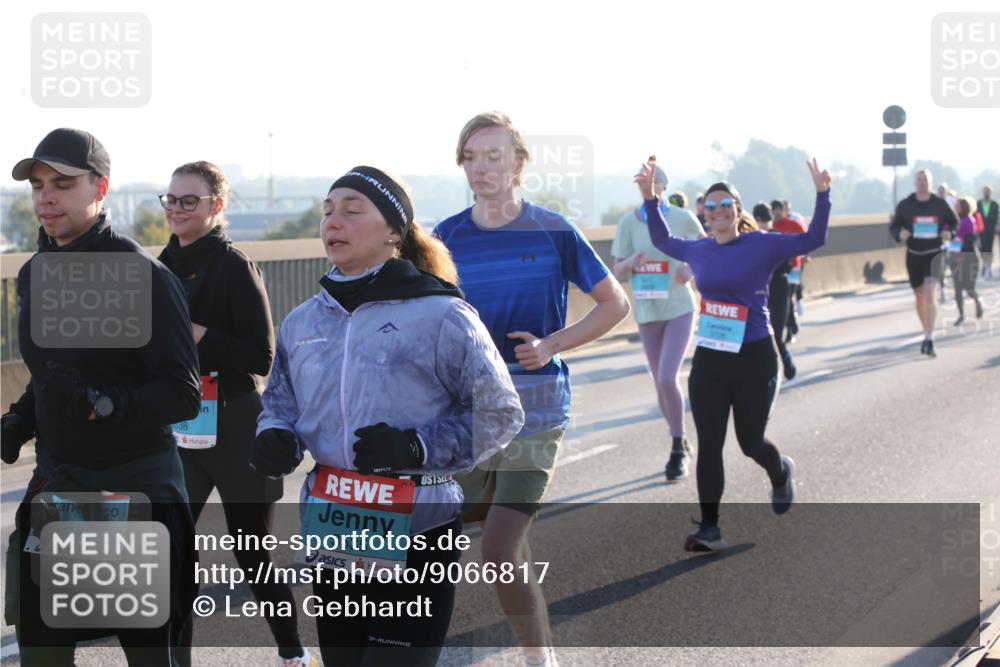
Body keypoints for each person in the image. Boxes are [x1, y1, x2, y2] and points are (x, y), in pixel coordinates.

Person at [250, 165, 525, 667]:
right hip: (336, 523)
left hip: (419, 524)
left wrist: (416, 447)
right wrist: (275, 434)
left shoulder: (441, 314)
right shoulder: (303, 320)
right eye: (328, 211)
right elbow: (281, 401)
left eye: (352, 211)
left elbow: (501, 411)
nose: (334, 222)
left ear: (393, 233)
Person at [434, 111, 629, 667]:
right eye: (470, 157)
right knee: (434, 541)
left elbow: (615, 304)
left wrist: (551, 345)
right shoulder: (442, 239)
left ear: (519, 165)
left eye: (493, 156)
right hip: (465, 414)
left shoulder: (553, 230)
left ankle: (540, 660)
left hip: (536, 411)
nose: (480, 167)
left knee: (498, 550)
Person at [2, 128, 201, 665]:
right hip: (57, 489)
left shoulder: (144, 276)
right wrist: (20, 420)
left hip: (130, 493)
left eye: (63, 183)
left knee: (149, 658)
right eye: (39, 184)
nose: (46, 196)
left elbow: (182, 393)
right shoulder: (35, 274)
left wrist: (102, 404)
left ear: (100, 188)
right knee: (41, 654)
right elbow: (56, 377)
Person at [156, 161, 314, 667]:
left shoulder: (234, 264)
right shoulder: (158, 265)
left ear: (216, 206)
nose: (177, 210)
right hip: (182, 427)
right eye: (171, 200)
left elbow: (262, 357)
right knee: (174, 553)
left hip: (236, 423)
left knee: (252, 555)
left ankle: (292, 653)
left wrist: (200, 336)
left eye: (190, 201)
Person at [640, 157, 832, 552]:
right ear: (703, 214)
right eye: (711, 206)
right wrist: (651, 200)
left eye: (726, 204)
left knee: (750, 442)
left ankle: (780, 472)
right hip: (711, 357)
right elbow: (661, 241)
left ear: (737, 210)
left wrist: (823, 194)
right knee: (710, 443)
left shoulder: (761, 243)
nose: (719, 211)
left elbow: (813, 241)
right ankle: (710, 527)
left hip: (754, 356)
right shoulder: (698, 251)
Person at [611, 163, 705, 480]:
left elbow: (707, 252)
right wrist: (630, 262)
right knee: (659, 385)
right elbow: (616, 270)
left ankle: (677, 448)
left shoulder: (682, 218)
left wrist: (690, 270)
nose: (649, 187)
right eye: (643, 182)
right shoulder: (627, 222)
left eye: (654, 182)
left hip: (679, 306)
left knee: (667, 378)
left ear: (663, 186)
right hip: (647, 310)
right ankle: (679, 436)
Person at [890, 169, 958, 357]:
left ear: (930, 182)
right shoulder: (906, 205)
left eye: (925, 179)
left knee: (929, 293)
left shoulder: (940, 204)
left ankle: (929, 337)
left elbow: (955, 222)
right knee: (920, 296)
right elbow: (894, 227)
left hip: (934, 254)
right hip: (914, 254)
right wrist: (899, 234)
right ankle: (926, 331)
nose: (922, 182)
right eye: (919, 179)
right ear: (914, 182)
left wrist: (949, 233)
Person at [753, 204, 797, 380]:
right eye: (760, 221)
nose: (762, 224)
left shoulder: (777, 239)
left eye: (765, 221)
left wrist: (769, 266)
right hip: (758, 293)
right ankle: (764, 374)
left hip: (778, 289)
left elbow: (789, 263)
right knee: (760, 337)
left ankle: (786, 362)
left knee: (776, 334)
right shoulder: (751, 240)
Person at [770, 200, 808, 343]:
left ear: (784, 210)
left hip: (794, 265)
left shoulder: (794, 224)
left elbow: (807, 240)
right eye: (774, 209)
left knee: (788, 298)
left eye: (779, 209)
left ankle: (790, 329)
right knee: (784, 301)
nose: (777, 212)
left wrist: (806, 254)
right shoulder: (771, 227)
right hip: (776, 269)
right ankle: (792, 326)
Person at [947, 197, 984, 326]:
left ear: (964, 207)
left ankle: (977, 302)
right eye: (955, 205)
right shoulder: (953, 221)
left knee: (968, 288)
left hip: (969, 257)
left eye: (958, 205)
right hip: (955, 257)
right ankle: (961, 315)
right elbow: (945, 232)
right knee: (957, 288)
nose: (955, 207)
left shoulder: (968, 220)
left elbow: (969, 241)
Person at [978, 184, 997, 279]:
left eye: (988, 191)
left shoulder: (994, 204)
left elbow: (998, 217)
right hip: (980, 230)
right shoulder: (978, 203)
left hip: (990, 230)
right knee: (982, 248)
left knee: (989, 248)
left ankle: (988, 265)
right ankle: (984, 263)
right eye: (985, 190)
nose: (987, 192)